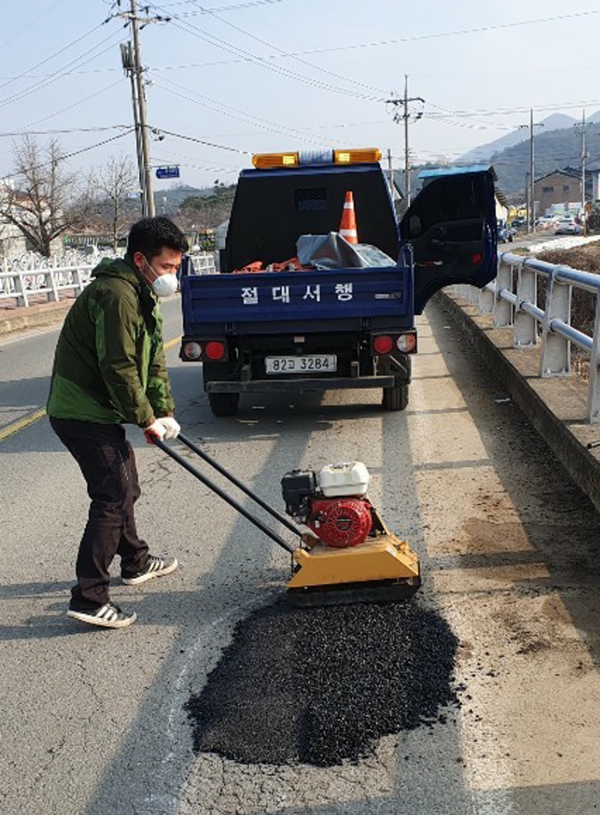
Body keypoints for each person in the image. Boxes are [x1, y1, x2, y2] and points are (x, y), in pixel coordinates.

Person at [47, 216, 189, 629]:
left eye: (177, 268)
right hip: (80, 411)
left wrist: (164, 411)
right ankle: (90, 597)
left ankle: (135, 562)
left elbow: (154, 361)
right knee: (112, 494)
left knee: (128, 486)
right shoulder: (115, 294)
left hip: (100, 409)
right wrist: (145, 418)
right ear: (141, 259)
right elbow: (119, 365)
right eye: (166, 267)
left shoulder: (141, 294)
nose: (171, 276)